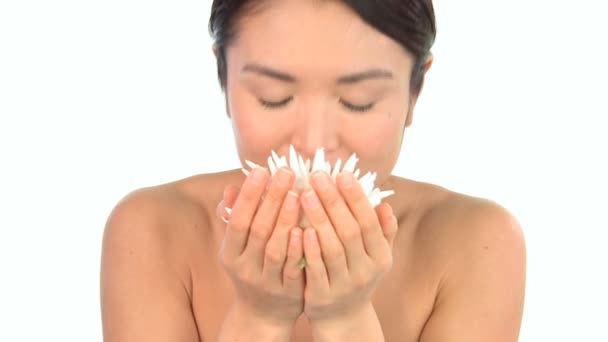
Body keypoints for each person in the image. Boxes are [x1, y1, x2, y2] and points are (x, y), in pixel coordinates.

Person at [100, 0, 526, 341]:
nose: (313, 143)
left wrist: (345, 318)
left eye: (359, 101)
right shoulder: (152, 231)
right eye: (274, 97)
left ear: (415, 92)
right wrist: (260, 316)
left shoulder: (476, 243)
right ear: (224, 81)